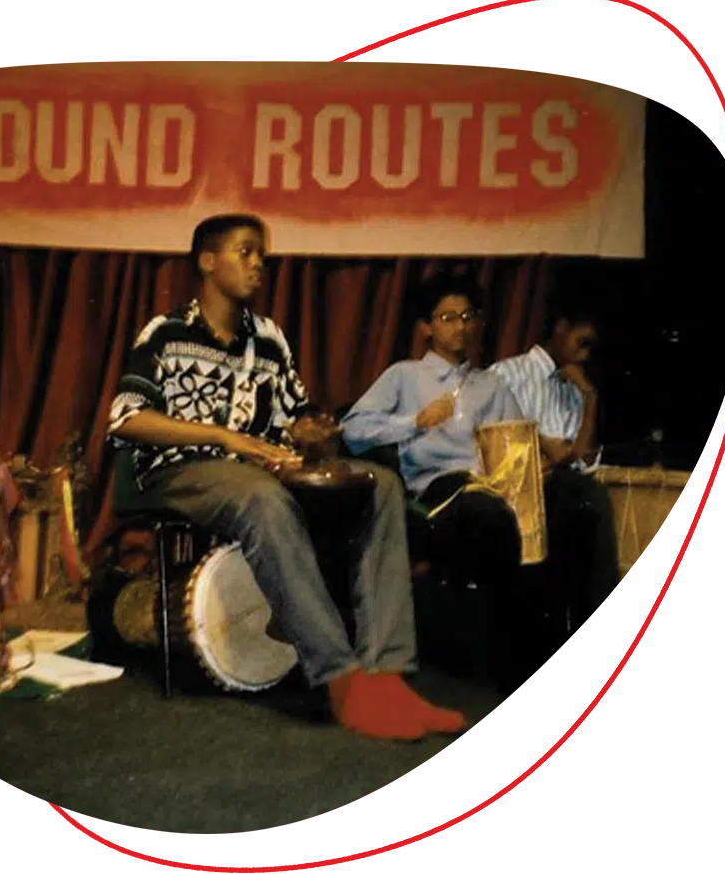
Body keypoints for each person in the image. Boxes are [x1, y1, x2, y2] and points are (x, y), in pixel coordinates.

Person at [106, 214, 466, 742]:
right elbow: (126, 417)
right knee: (263, 498)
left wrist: (309, 430)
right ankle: (342, 681)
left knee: (380, 486)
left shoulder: (270, 339)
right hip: (182, 469)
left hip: (258, 468)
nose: (259, 264)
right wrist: (227, 438)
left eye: (262, 255)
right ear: (208, 262)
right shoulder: (166, 333)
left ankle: (386, 674)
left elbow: (296, 415)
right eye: (246, 252)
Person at [340, 273, 525, 594]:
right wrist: (415, 422)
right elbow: (352, 431)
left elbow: (516, 445)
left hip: (495, 489)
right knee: (487, 518)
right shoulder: (405, 375)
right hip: (439, 491)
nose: (460, 327)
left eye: (467, 317)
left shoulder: (492, 384)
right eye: (448, 318)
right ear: (426, 327)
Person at [488, 298, 622, 627]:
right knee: (587, 500)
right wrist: (543, 444)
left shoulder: (573, 390)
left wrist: (590, 398)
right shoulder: (508, 374)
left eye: (590, 348)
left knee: (588, 497)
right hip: (519, 486)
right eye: (581, 343)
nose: (584, 356)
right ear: (561, 329)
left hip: (563, 488)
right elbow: (493, 439)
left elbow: (583, 457)